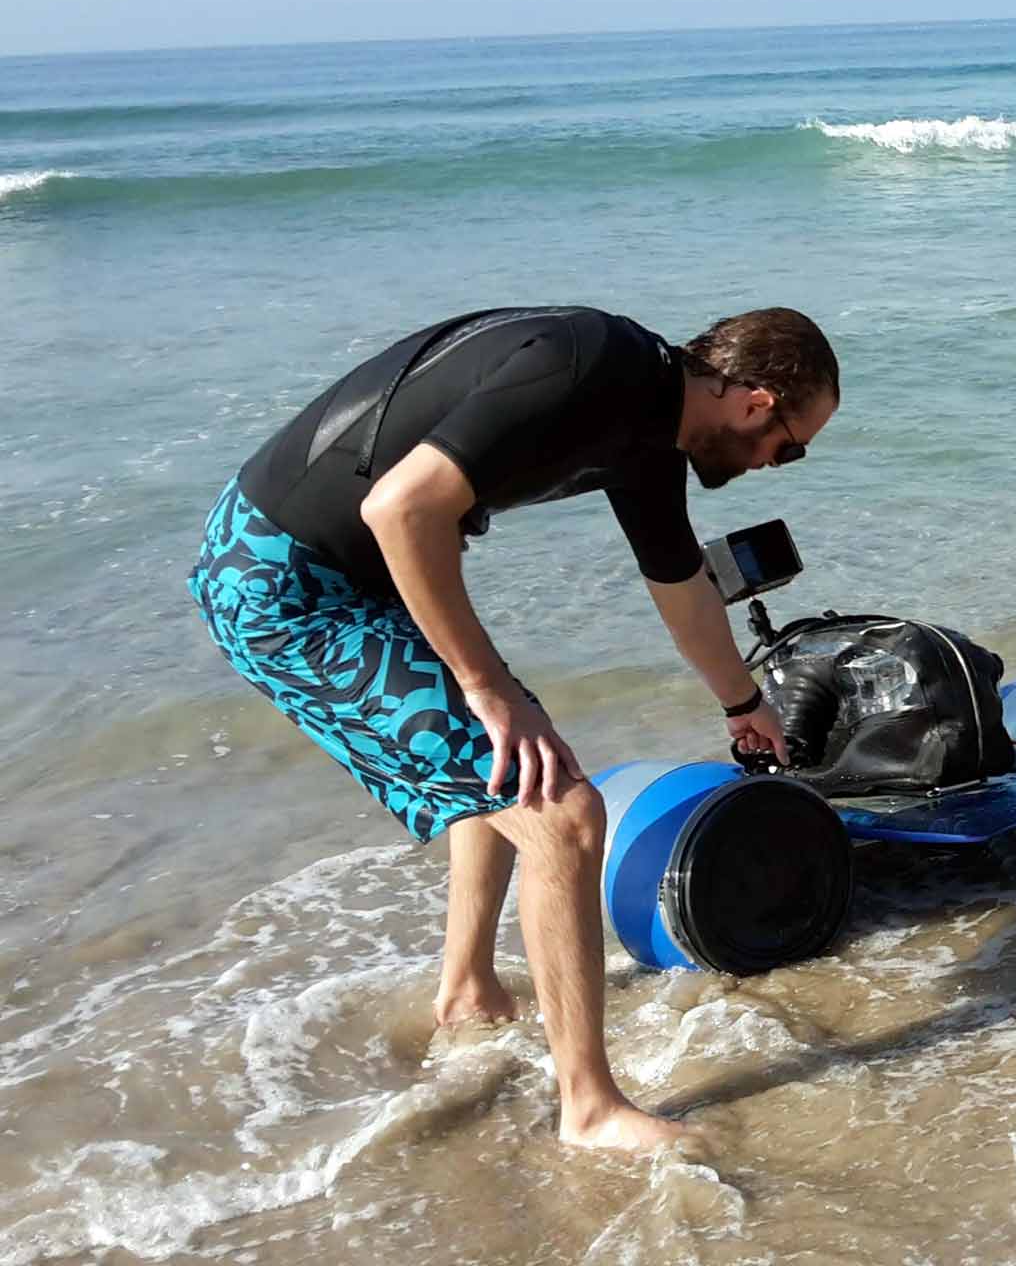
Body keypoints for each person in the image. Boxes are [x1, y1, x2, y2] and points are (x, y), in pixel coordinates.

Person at [188, 304, 838, 1151]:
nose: (775, 465)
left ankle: (467, 992)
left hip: (355, 576)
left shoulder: (646, 426)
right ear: (756, 401)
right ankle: (591, 1109)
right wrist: (486, 686)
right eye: (789, 447)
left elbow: (682, 590)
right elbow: (400, 508)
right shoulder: (594, 366)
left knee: (510, 769)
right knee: (562, 814)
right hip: (284, 588)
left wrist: (742, 705)